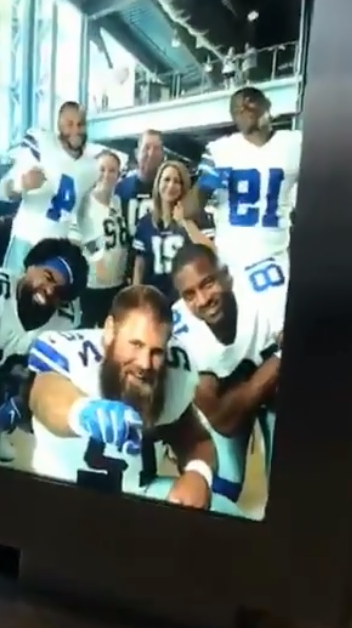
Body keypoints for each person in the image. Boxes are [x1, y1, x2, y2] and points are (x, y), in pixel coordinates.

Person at [0, 285, 242, 514]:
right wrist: (83, 412)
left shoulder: (174, 372)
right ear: (110, 331)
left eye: (156, 351)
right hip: (61, 499)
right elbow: (43, 396)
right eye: (135, 344)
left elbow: (196, 440)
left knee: (225, 512)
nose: (145, 363)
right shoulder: (72, 353)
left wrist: (198, 474)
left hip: (138, 495)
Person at [168, 243, 286, 507]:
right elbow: (225, 420)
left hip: (274, 395)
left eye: (208, 283)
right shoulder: (180, 339)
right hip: (235, 409)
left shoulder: (265, 287)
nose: (202, 300)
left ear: (226, 275)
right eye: (189, 294)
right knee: (222, 488)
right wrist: (275, 363)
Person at [0, 238, 88, 462]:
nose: (50, 290)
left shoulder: (65, 321)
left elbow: (52, 376)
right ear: (30, 265)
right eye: (48, 277)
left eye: (60, 291)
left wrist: (23, 401)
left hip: (0, 381)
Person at [196, 87, 302, 273]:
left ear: (267, 104)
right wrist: (209, 181)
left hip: (275, 259)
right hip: (230, 262)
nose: (244, 108)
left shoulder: (295, 143)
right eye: (238, 107)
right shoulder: (220, 150)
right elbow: (192, 207)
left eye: (250, 101)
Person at [0, 102, 104, 273]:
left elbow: (83, 212)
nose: (76, 130)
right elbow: (1, 191)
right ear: (59, 126)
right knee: (13, 295)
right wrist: (20, 184)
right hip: (26, 240)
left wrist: (95, 251)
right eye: (69, 124)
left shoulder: (91, 168)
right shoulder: (42, 144)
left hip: (57, 249)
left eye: (80, 124)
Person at [132, 161, 215, 300]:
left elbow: (211, 251)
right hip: (154, 298)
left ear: (184, 186)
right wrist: (135, 295)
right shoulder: (146, 222)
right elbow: (140, 264)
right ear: (158, 183)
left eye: (177, 181)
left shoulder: (198, 218)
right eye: (166, 179)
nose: (171, 185)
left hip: (187, 299)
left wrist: (185, 222)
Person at [72, 151, 130, 327]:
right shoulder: (84, 203)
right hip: (92, 285)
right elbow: (79, 237)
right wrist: (97, 259)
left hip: (117, 283)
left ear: (118, 175)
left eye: (112, 170)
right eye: (101, 169)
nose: (106, 175)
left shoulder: (118, 202)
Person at [115, 130, 165, 233]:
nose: (151, 153)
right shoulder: (121, 188)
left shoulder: (171, 187)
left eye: (156, 149)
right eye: (146, 148)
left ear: (163, 154)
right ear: (137, 153)